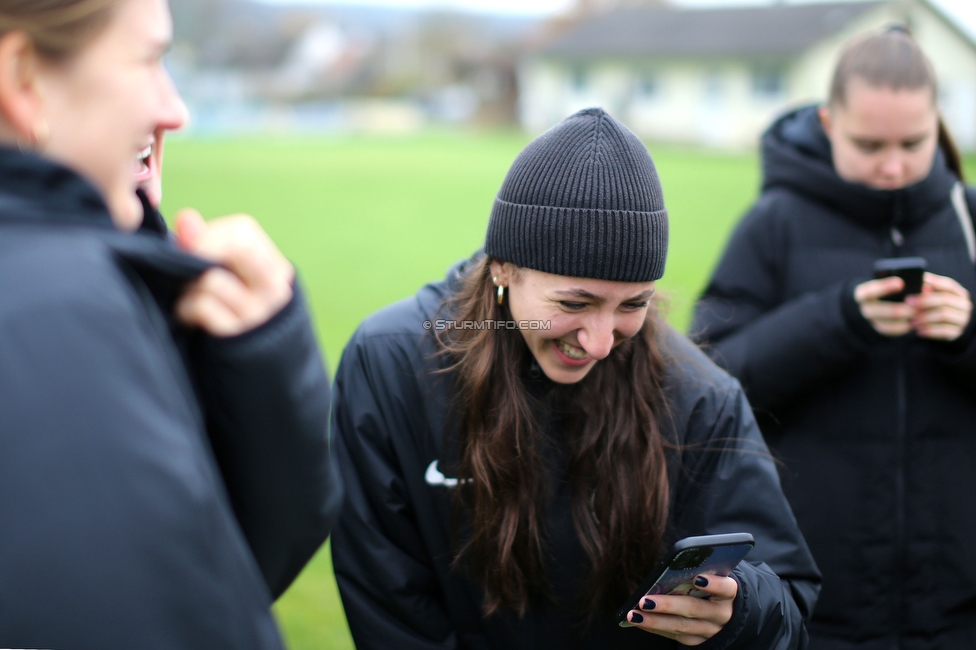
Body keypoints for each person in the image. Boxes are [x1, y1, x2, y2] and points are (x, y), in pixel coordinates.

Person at [331, 107, 820, 649]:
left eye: (633, 304)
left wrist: (740, 609)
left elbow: (790, 602)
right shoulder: (391, 365)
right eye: (575, 302)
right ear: (502, 269)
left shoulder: (698, 394)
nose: (602, 341)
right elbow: (388, 602)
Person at [0, 0, 340, 647]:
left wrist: (257, 367)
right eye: (149, 59)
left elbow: (201, 571)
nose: (174, 109)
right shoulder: (60, 315)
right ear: (22, 77)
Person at [690, 27, 976, 649]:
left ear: (939, 121)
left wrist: (968, 334)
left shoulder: (969, 220)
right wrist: (838, 319)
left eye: (913, 142)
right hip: (816, 604)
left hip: (959, 608)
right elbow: (706, 381)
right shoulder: (772, 224)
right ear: (827, 121)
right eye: (869, 144)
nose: (894, 164)